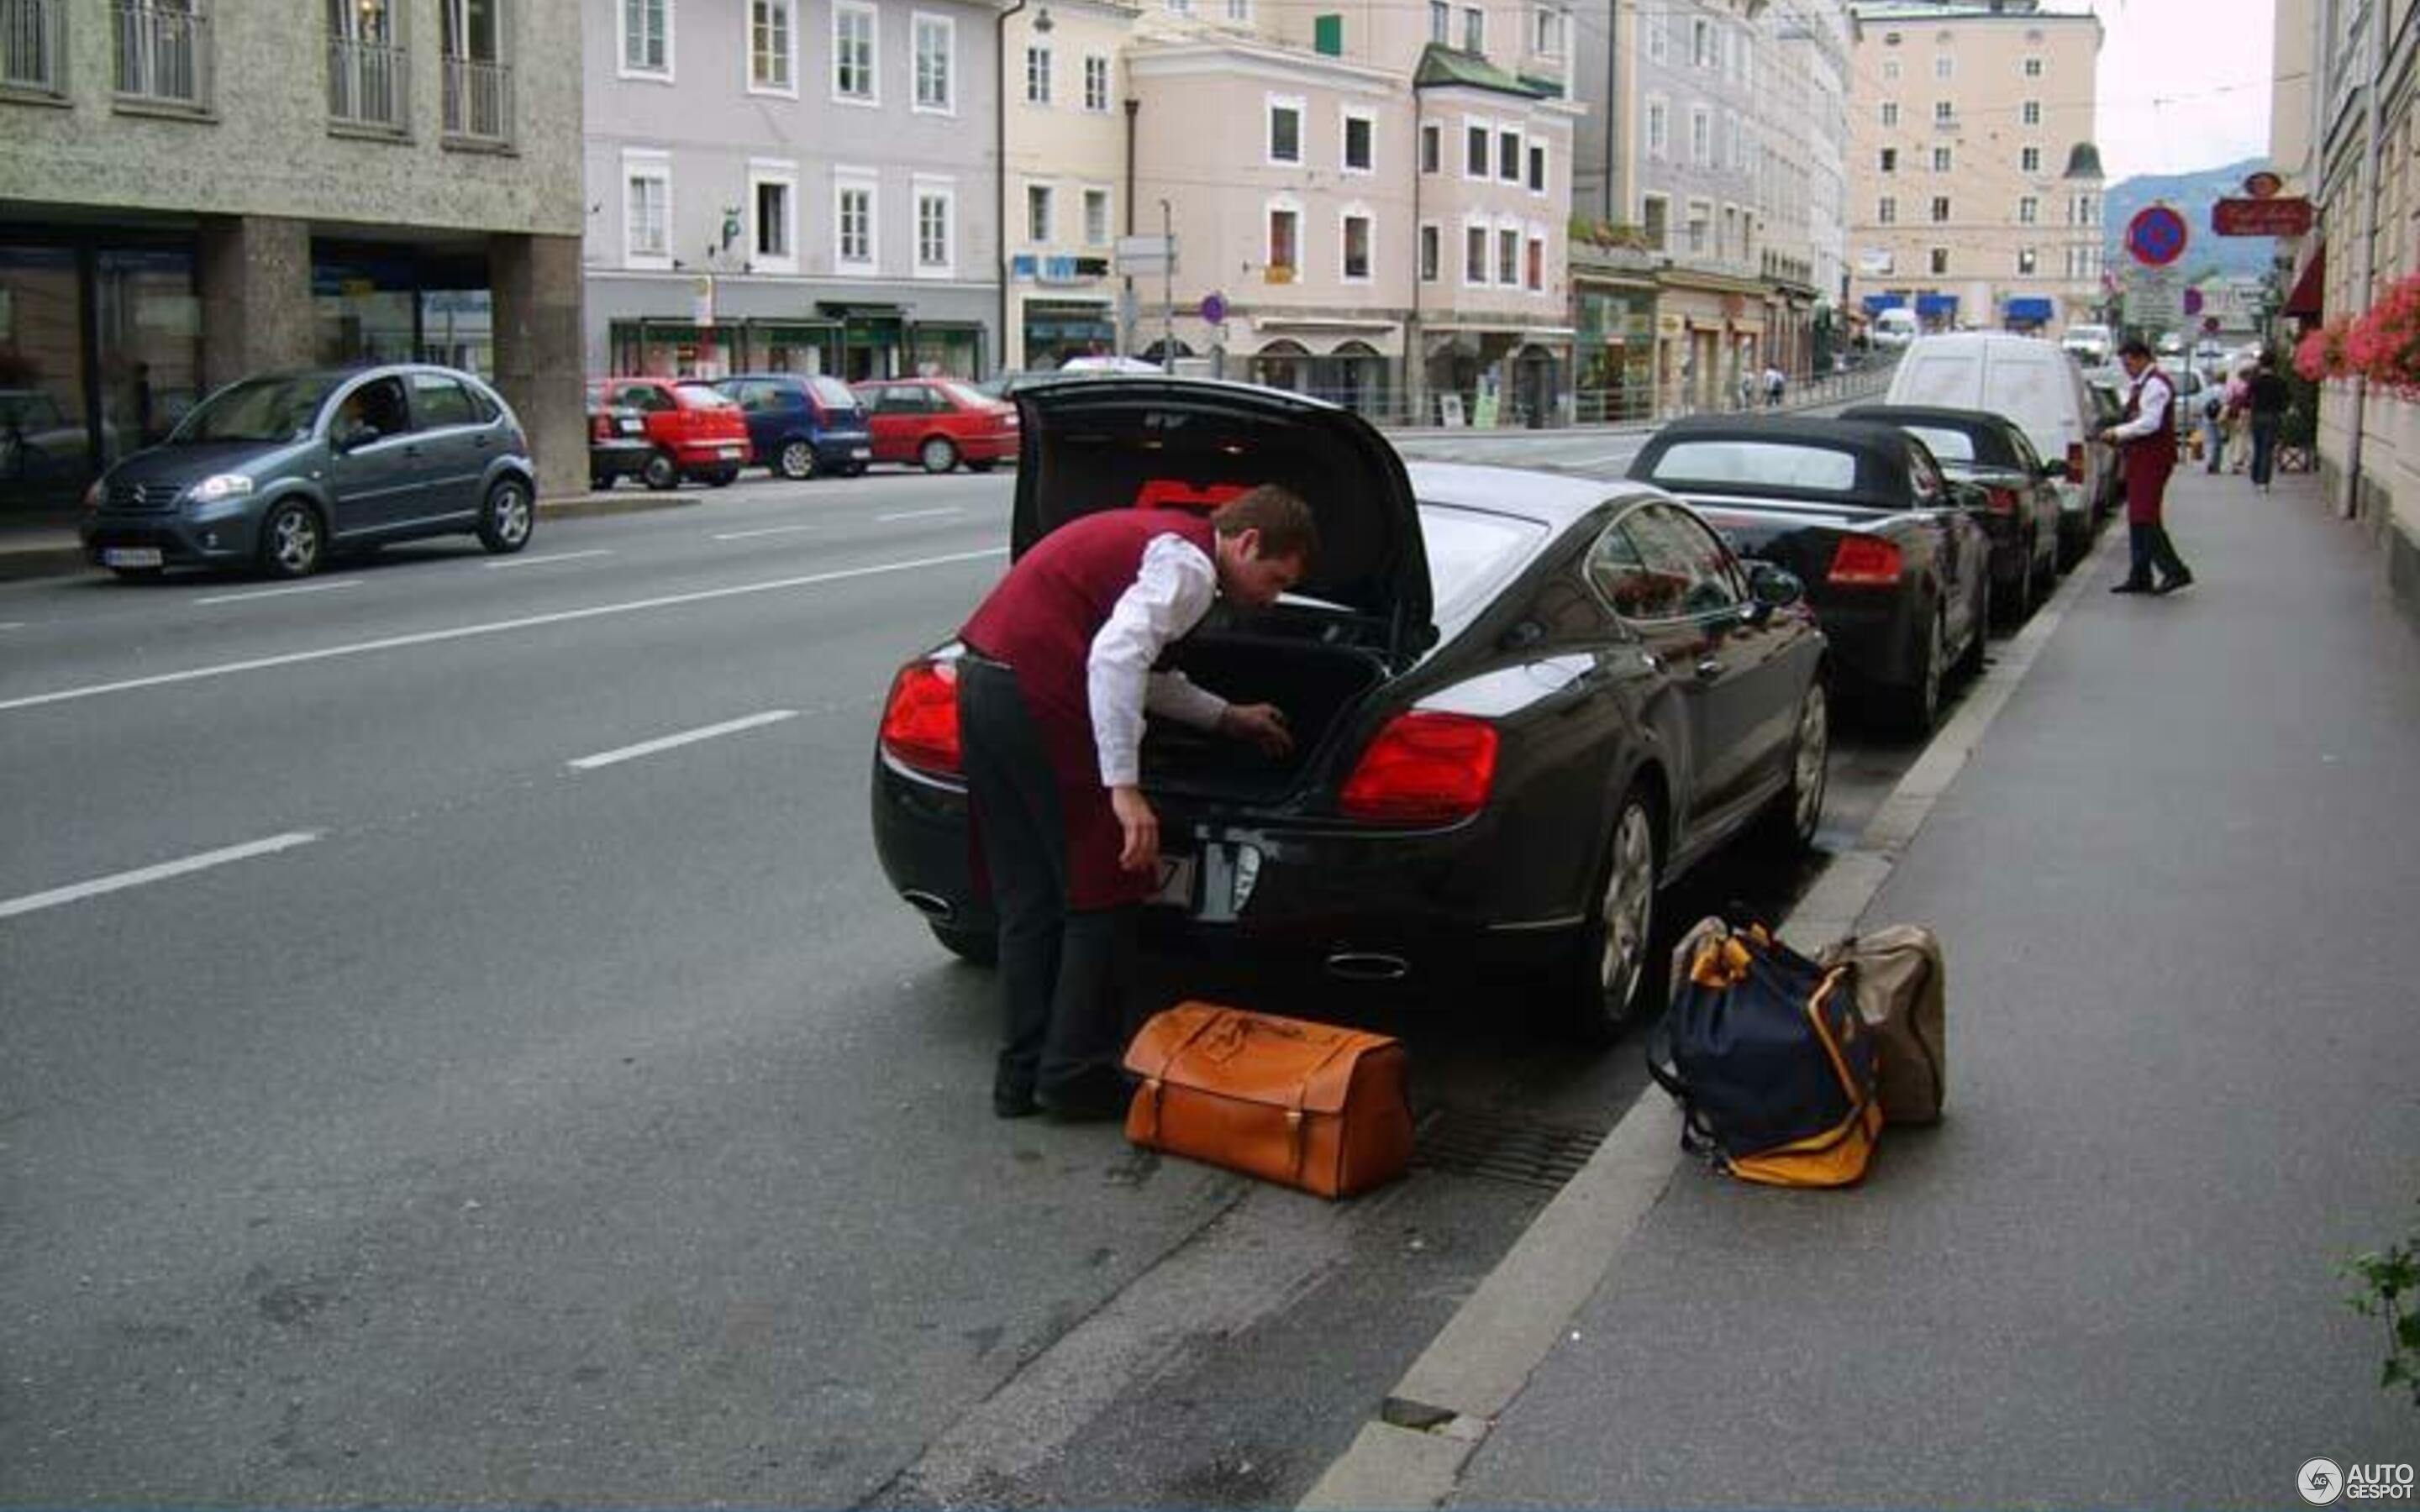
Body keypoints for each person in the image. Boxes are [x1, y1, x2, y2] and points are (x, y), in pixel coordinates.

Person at [955, 485, 1318, 1121]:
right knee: (1109, 882)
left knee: (1030, 899)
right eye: (1274, 578)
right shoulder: (1192, 567)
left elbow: (1142, 669)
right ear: (1248, 542)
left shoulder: (1163, 541)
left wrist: (1226, 717)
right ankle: (1075, 1074)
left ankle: (1020, 1078)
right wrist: (1123, 790)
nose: (1271, 597)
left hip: (984, 681)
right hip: (1042, 693)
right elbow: (1116, 657)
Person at [2099, 338, 2194, 596]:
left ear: (2142, 358)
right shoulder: (2143, 384)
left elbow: (2150, 423)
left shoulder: (2155, 385)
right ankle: (2140, 574)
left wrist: (2118, 432)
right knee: (2137, 517)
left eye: (2129, 363)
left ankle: (2175, 570)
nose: (2127, 369)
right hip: (2141, 457)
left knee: (2146, 517)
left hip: (2153, 458)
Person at [2245, 350, 2290, 492]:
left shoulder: (2255, 381)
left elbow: (2246, 398)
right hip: (2273, 416)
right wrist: (2282, 409)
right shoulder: (2280, 381)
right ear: (2274, 364)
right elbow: (2286, 400)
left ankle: (2255, 477)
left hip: (2257, 416)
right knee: (2267, 449)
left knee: (2257, 447)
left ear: (2261, 363)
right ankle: (2263, 482)